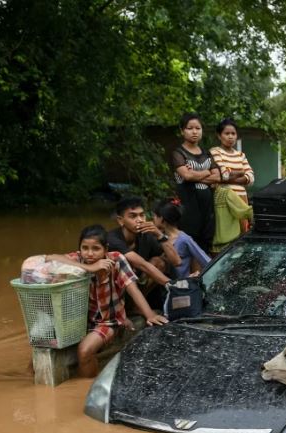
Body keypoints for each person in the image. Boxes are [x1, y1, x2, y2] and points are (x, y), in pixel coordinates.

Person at [45, 225, 168, 377]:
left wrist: (149, 315)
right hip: (81, 321)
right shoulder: (79, 259)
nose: (89, 254)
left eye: (96, 249)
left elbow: (132, 288)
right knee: (43, 351)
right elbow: (49, 258)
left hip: (108, 321)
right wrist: (88, 268)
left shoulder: (116, 259)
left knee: (84, 351)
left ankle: (86, 389)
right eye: (85, 248)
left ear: (105, 249)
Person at [171, 112, 221, 251]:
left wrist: (195, 174)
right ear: (182, 131)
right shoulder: (178, 153)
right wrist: (206, 172)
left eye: (198, 128)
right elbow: (186, 176)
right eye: (190, 128)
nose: (194, 131)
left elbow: (217, 177)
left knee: (206, 244)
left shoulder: (206, 153)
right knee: (190, 245)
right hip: (188, 210)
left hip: (208, 210)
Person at [209, 118, 255, 233]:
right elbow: (222, 174)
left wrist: (228, 177)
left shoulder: (241, 155)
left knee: (242, 232)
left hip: (242, 199)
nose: (230, 137)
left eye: (233, 133)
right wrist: (240, 173)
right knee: (227, 233)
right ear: (219, 136)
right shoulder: (215, 152)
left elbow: (251, 178)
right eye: (227, 133)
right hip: (225, 200)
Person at [153, 199, 211, 278]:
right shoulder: (158, 237)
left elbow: (204, 259)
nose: (153, 218)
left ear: (162, 219)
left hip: (183, 284)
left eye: (155, 216)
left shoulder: (184, 239)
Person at [212, 182, 253, 254]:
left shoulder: (226, 193)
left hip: (230, 247)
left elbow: (247, 212)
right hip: (211, 249)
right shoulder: (203, 194)